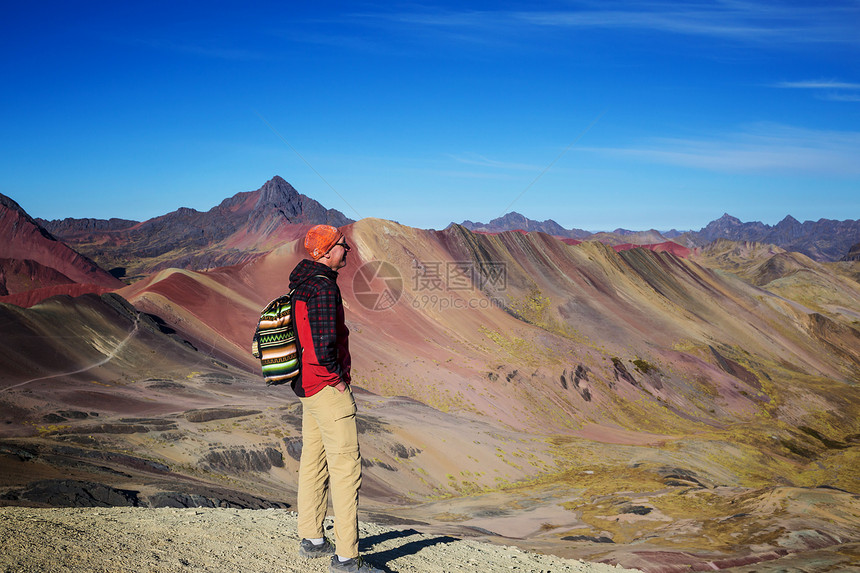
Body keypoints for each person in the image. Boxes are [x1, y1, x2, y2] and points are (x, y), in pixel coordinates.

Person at [289, 224, 381, 573]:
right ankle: (346, 558)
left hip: (306, 388)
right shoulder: (324, 288)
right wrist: (338, 381)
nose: (348, 251)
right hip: (326, 389)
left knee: (314, 460)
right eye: (344, 246)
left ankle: (312, 537)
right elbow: (324, 342)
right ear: (327, 251)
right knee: (346, 470)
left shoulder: (302, 283)